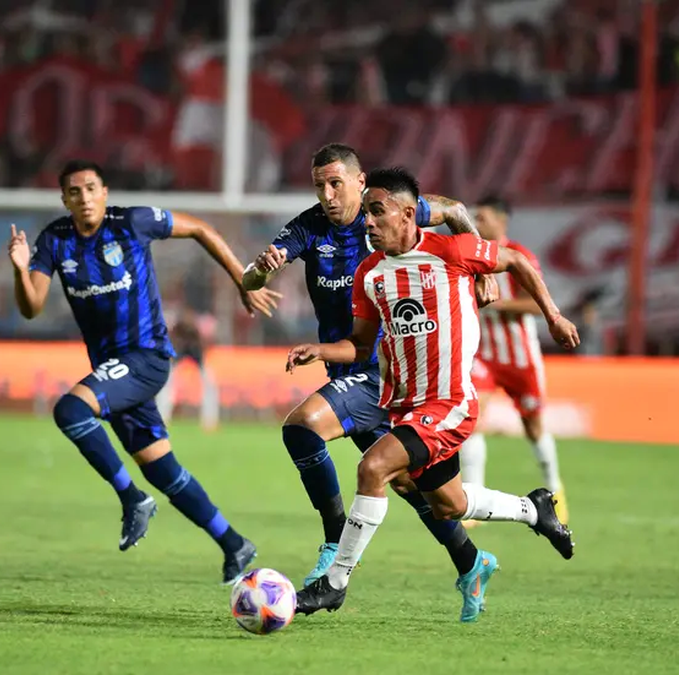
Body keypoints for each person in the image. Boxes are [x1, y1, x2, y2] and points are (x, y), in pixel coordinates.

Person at [285, 167, 580, 616]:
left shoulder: (453, 250)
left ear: (407, 215)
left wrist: (553, 317)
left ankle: (334, 581)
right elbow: (361, 345)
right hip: (404, 408)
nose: (368, 222)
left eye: (377, 212)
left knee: (373, 468)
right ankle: (533, 509)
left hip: (450, 403)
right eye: (366, 213)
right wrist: (319, 350)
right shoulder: (370, 274)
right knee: (449, 505)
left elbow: (517, 260)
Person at [242, 143, 500, 622]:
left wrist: (481, 275)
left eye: (336, 183)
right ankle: (472, 562)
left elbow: (457, 211)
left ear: (361, 183)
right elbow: (250, 280)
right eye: (319, 184)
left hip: (385, 370)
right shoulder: (306, 228)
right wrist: (258, 272)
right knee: (411, 486)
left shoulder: (387, 214)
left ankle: (333, 541)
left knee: (301, 427)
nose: (327, 194)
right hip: (351, 369)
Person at [7, 159, 280, 583]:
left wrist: (242, 277)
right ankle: (234, 544)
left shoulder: (132, 223)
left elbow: (201, 230)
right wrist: (20, 268)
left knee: (70, 411)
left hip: (146, 357)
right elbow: (31, 307)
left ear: (105, 192)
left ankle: (132, 498)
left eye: (92, 188)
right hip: (112, 370)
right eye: (74, 192)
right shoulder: (55, 240)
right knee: (161, 468)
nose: (84, 198)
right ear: (64, 199)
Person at [457, 195, 569, 527]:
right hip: (485, 358)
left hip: (521, 360)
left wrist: (498, 305)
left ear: (502, 221)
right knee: (472, 421)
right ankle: (473, 500)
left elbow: (536, 305)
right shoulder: (470, 255)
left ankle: (555, 490)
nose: (477, 223)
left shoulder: (520, 257)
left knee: (534, 428)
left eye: (483, 218)